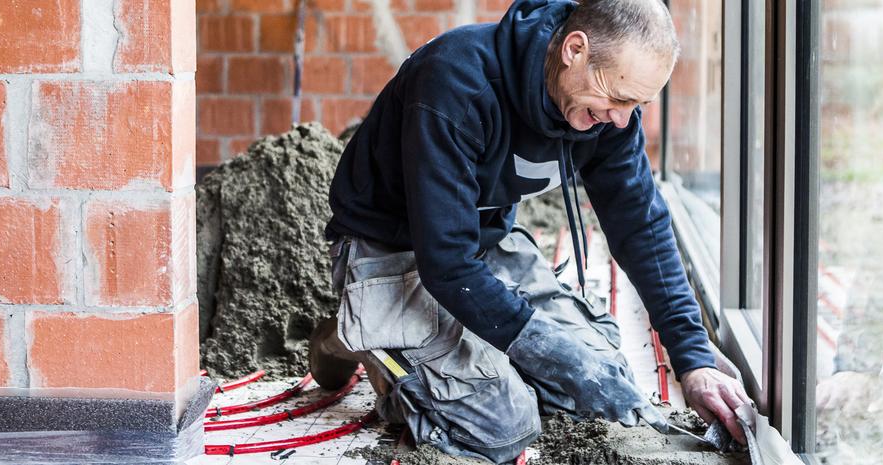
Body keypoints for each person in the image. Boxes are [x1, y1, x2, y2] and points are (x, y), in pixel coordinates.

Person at [311, 0, 751, 462]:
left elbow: (640, 222)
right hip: (392, 247)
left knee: (599, 372)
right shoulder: (455, 80)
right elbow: (445, 262)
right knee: (502, 427)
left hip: (481, 239)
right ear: (574, 50)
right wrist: (541, 350)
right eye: (619, 99)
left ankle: (426, 339)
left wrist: (694, 358)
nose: (623, 119)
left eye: (637, 104)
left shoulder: (610, 106)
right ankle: (352, 332)